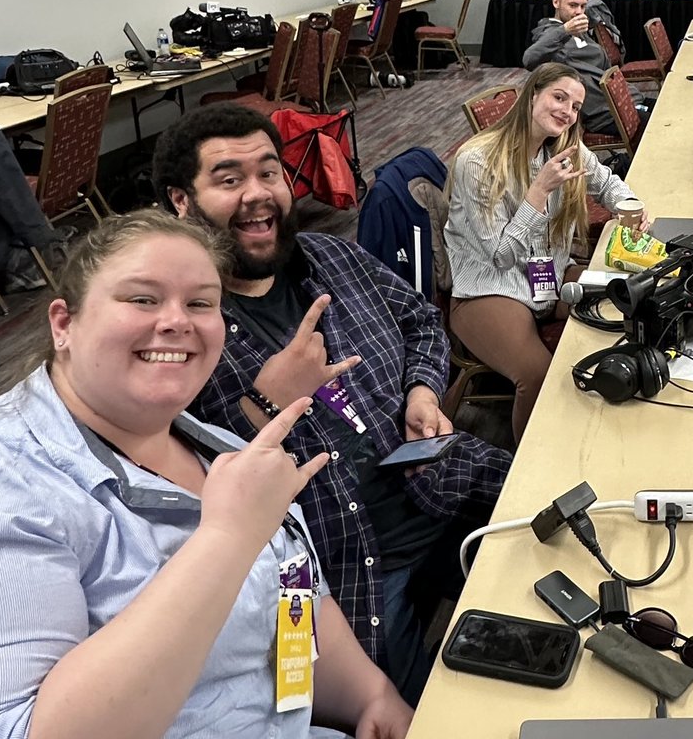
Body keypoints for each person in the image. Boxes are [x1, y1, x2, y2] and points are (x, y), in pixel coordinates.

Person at [0, 211, 413, 739]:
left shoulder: (213, 447)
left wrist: (370, 696)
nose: (178, 321)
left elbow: (292, 597)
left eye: (200, 303)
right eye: (142, 299)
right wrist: (226, 539)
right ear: (63, 325)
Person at [151, 104, 510, 706]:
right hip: (352, 565)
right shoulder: (179, 328)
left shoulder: (332, 259)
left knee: (571, 556)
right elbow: (180, 476)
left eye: (269, 173)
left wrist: (422, 390)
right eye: (228, 179)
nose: (257, 195)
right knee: (433, 711)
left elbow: (421, 318)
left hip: (445, 484)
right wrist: (267, 400)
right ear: (181, 201)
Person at [445, 63, 646, 442]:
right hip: (491, 290)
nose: (566, 111)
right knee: (536, 375)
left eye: (574, 106)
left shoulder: (565, 148)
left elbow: (607, 183)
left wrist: (630, 207)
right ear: (531, 94)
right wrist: (538, 192)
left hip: (549, 278)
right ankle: (528, 469)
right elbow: (502, 256)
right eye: (558, 97)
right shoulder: (477, 161)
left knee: (626, 301)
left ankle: (606, 428)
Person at [523, 0, 645, 136]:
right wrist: (565, 30)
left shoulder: (580, 32)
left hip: (624, 99)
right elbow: (529, 58)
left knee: (670, 108)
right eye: (573, 5)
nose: (578, 12)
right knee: (664, 126)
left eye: (582, 6)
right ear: (556, 2)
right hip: (605, 114)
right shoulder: (549, 34)